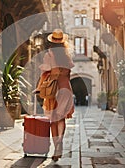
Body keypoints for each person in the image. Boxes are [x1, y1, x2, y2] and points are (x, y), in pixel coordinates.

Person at [36, 29, 75, 162]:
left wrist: (39, 86)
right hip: (66, 89)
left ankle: (56, 147)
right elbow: (68, 75)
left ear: (52, 42)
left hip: (53, 90)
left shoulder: (49, 55)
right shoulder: (67, 56)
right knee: (61, 119)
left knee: (53, 120)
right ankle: (60, 146)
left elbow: (45, 73)